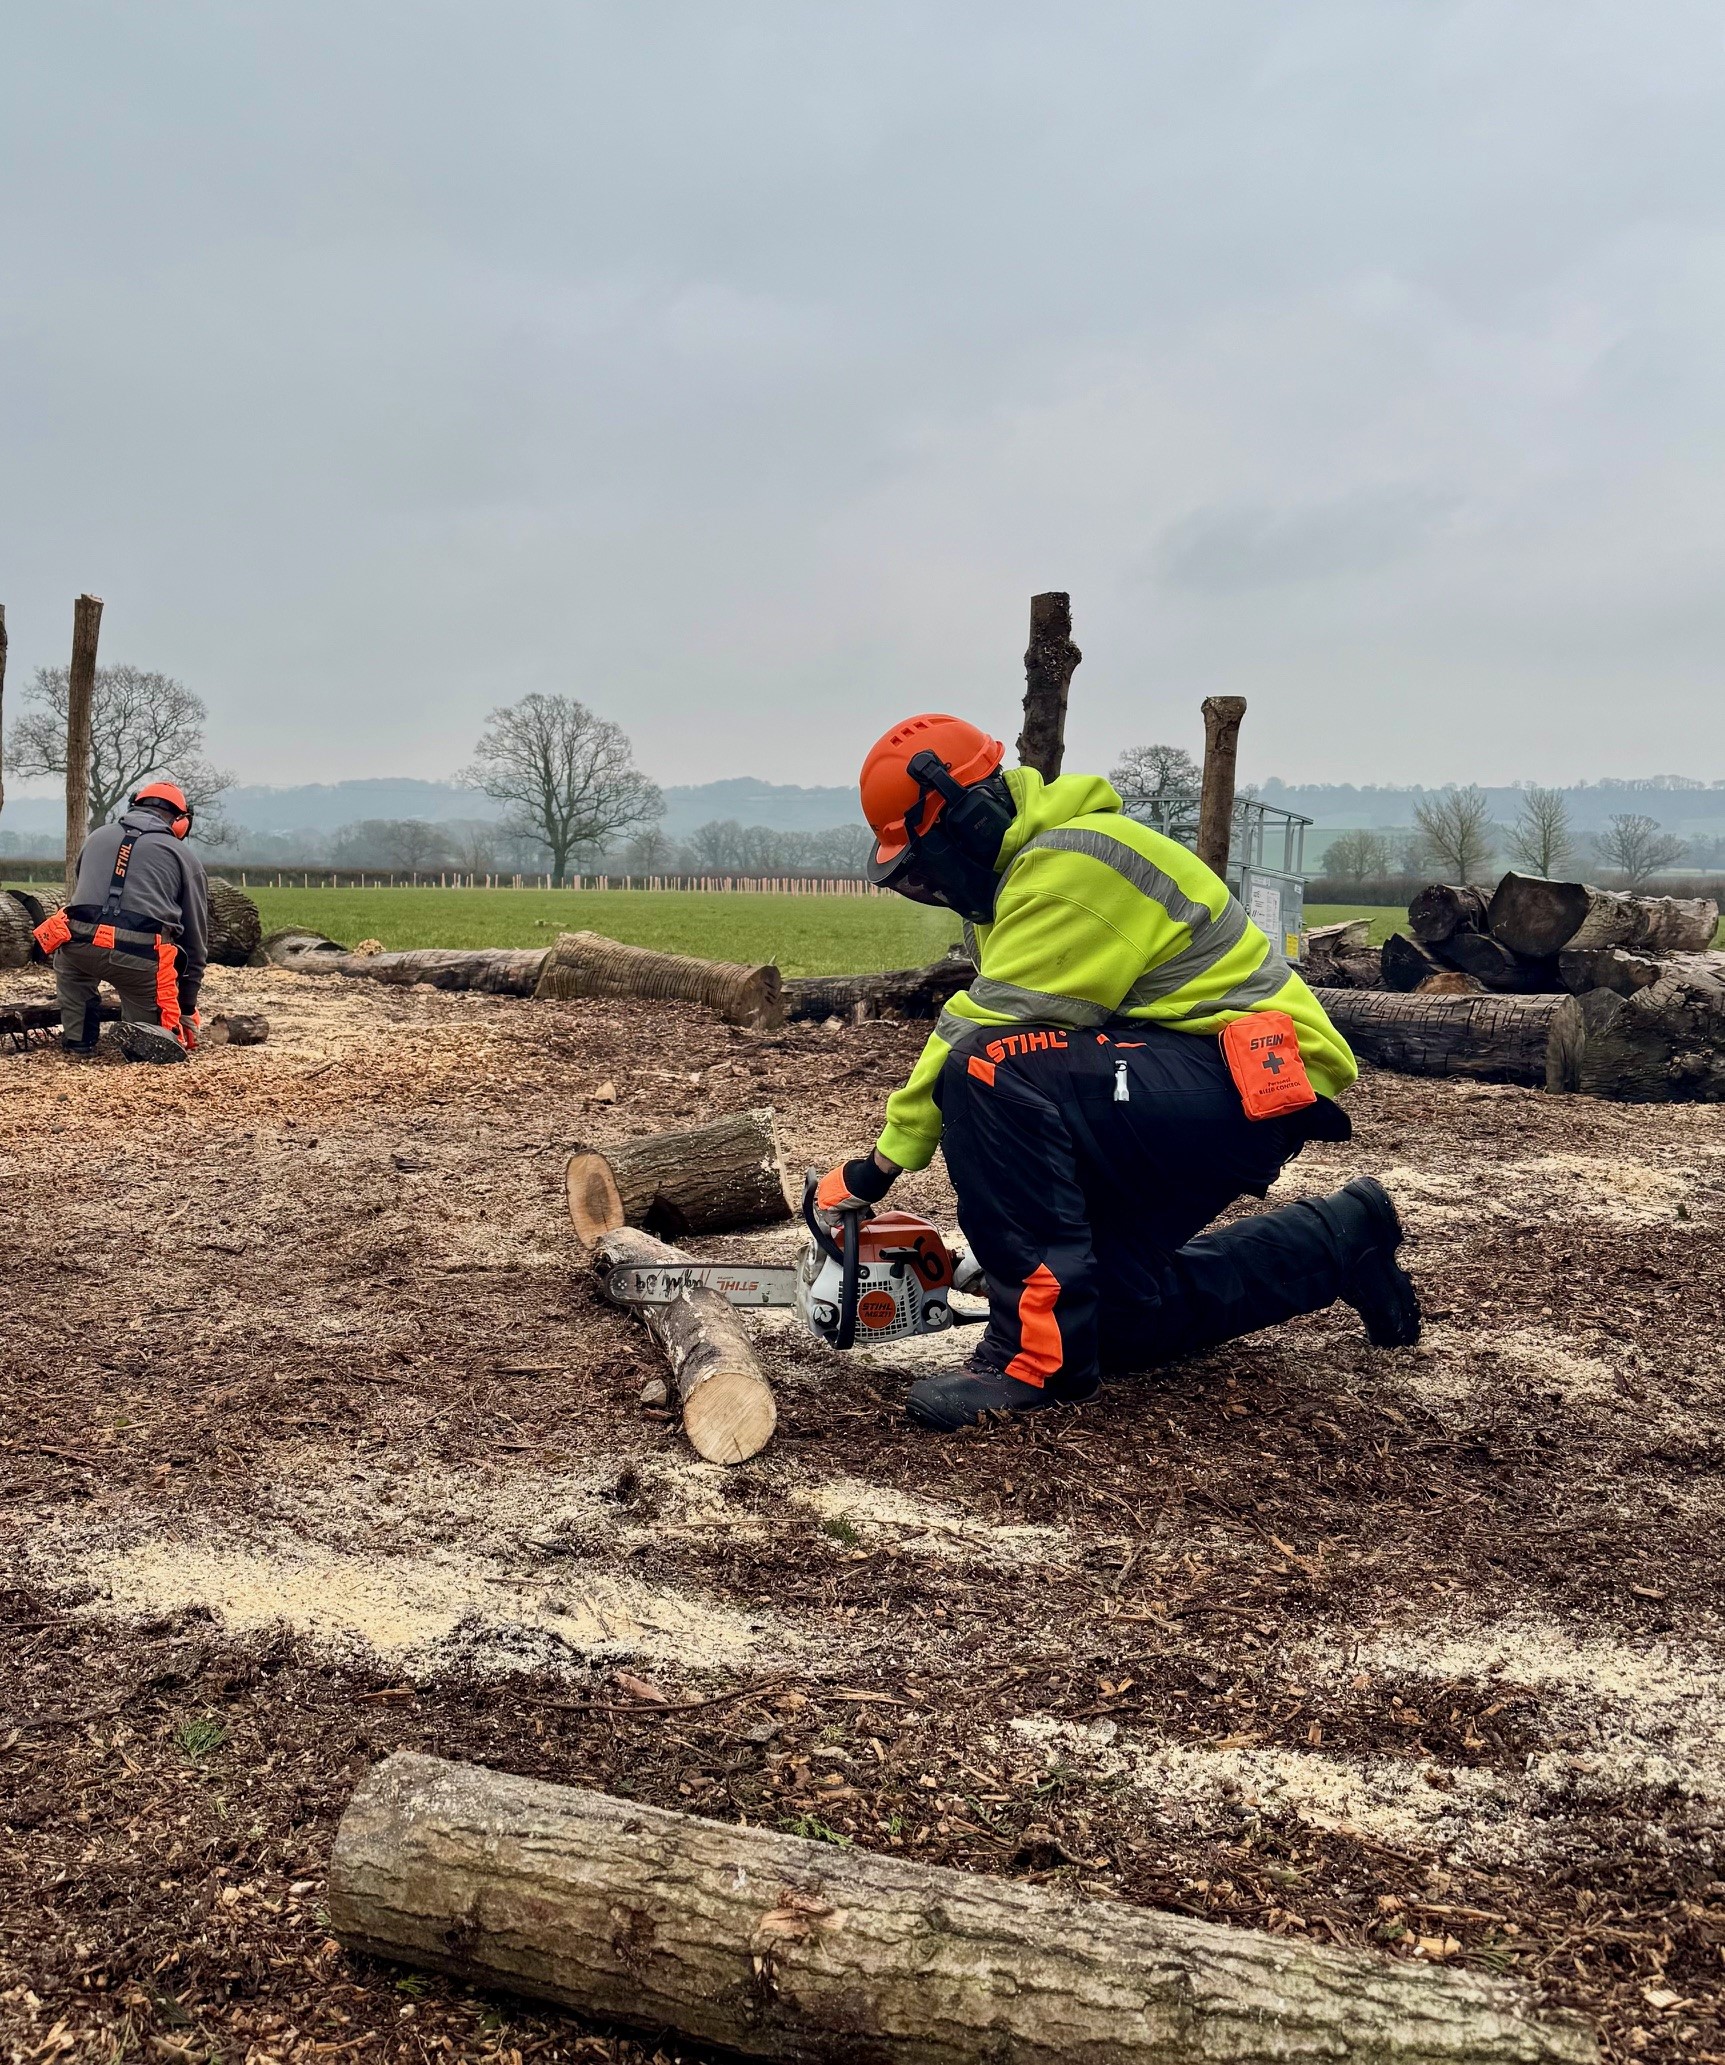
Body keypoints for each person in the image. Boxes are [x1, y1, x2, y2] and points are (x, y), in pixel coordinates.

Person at [816, 714, 1419, 1431]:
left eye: (923, 863)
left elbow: (978, 1034)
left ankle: (1031, 1356)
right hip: (1190, 1073)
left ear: (969, 821)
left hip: (1248, 1073)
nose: (929, 885)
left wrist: (875, 1168)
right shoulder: (1030, 870)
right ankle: (1338, 1239)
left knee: (987, 1069)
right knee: (1112, 1312)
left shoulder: (1070, 868)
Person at [39, 781, 210, 1063]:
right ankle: (140, 1046)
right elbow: (195, 943)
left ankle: (78, 1043)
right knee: (154, 1047)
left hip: (78, 948)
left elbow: (84, 892)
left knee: (72, 969)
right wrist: (187, 1006)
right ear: (181, 822)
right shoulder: (184, 856)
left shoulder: (96, 837)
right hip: (138, 961)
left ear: (134, 806)